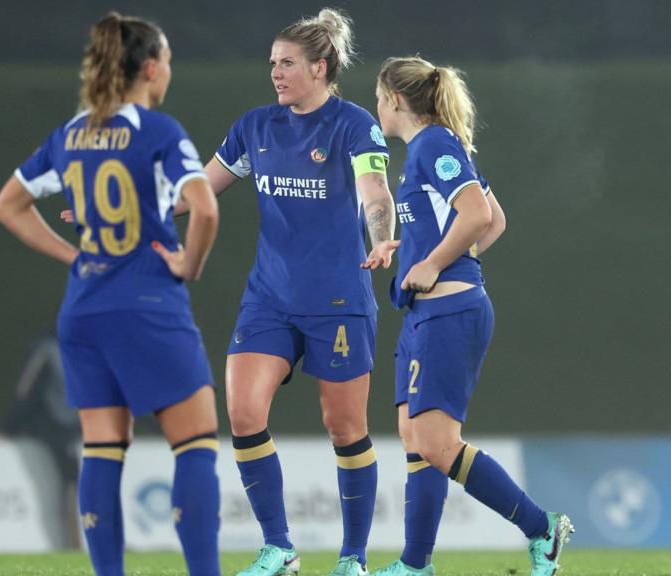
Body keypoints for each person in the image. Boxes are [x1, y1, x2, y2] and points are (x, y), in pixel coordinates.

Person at [0, 13, 221, 576]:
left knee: (101, 449)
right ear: (149, 68)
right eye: (165, 60)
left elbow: (8, 206)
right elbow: (206, 206)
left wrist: (74, 256)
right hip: (147, 302)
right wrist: (189, 264)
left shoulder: (71, 133)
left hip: (84, 308)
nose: (168, 70)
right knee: (194, 443)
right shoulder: (160, 131)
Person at [179, 8, 396, 576]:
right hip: (269, 298)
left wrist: (383, 238)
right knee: (244, 411)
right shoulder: (255, 126)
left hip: (338, 300)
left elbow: (375, 189)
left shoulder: (353, 125)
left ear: (320, 68)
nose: (275, 73)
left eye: (288, 64)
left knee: (345, 428)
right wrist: (128, 214)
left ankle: (353, 558)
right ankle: (280, 547)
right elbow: (199, 191)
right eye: (272, 63)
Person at [370, 55, 572, 576]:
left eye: (377, 98)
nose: (376, 108)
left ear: (394, 100)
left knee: (438, 444)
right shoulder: (426, 148)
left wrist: (437, 262)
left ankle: (542, 528)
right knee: (417, 441)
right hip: (423, 316)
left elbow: (481, 217)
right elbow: (492, 218)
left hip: (448, 314)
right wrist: (419, 246)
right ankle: (415, 565)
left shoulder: (433, 143)